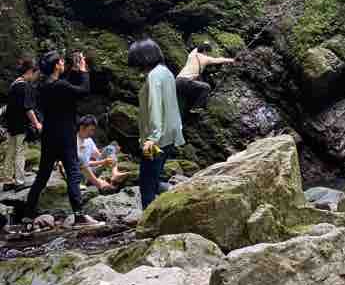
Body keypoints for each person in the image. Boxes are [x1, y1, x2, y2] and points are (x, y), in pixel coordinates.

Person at [24, 51, 99, 225]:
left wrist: (75, 71)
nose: (64, 63)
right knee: (73, 173)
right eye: (62, 62)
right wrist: (83, 71)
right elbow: (83, 91)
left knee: (42, 176)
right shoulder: (61, 86)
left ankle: (28, 212)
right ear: (57, 65)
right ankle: (79, 215)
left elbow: (66, 85)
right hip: (65, 135)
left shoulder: (43, 86)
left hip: (49, 135)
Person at [129, 38, 184, 209]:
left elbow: (155, 107)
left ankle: (149, 220)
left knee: (146, 184)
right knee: (155, 178)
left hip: (156, 140)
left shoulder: (153, 76)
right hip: (170, 135)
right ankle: (172, 201)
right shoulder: (166, 72)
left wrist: (152, 137)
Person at [3, 59, 42, 190]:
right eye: (36, 74)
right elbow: (28, 108)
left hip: (11, 125)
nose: (36, 77)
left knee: (10, 152)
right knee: (20, 152)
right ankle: (19, 181)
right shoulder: (24, 86)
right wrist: (37, 123)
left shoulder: (14, 85)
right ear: (30, 71)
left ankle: (7, 181)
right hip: (21, 125)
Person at [175, 41, 235, 114]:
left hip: (177, 81)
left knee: (183, 101)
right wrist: (232, 60)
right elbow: (218, 60)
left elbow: (197, 48)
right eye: (207, 52)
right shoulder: (205, 58)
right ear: (204, 51)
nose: (207, 54)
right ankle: (196, 108)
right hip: (186, 81)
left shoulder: (192, 55)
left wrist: (205, 43)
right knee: (206, 87)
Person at [76, 115, 129, 192]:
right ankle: (98, 183)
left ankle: (115, 173)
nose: (92, 133)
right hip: (82, 173)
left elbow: (98, 155)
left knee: (110, 148)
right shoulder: (74, 141)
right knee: (81, 159)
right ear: (82, 127)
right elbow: (81, 163)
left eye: (93, 130)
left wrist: (111, 155)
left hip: (92, 170)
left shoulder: (89, 140)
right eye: (91, 130)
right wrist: (102, 162)